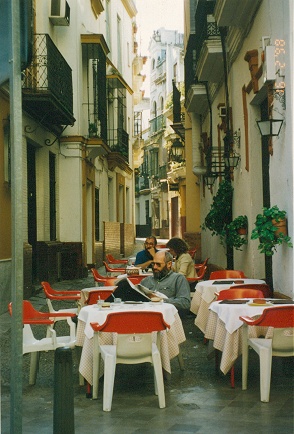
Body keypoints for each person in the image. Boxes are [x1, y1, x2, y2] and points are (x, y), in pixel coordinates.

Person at [140, 250, 191, 315]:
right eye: (153, 264)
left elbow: (185, 303)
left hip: (168, 317)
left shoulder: (178, 279)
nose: (155, 267)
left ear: (169, 264)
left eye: (158, 264)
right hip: (146, 315)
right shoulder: (146, 281)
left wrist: (161, 300)